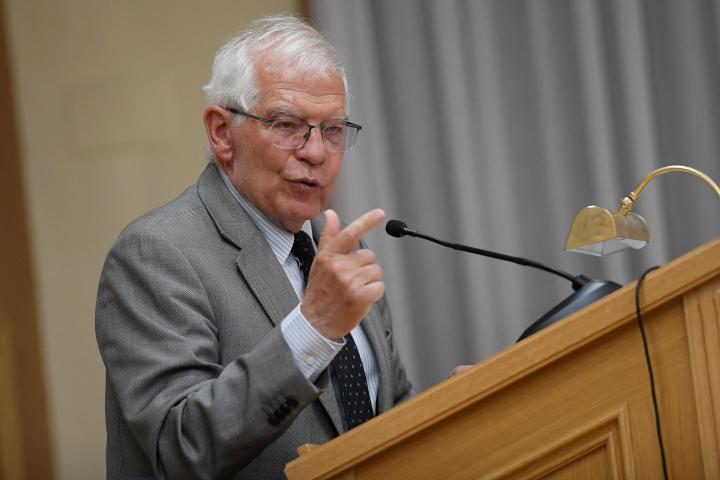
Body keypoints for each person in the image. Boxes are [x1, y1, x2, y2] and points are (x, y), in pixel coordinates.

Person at [95, 14, 413, 479]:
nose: (316, 152)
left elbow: (385, 407)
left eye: (333, 129)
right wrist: (314, 328)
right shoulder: (156, 254)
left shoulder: (338, 245)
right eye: (287, 124)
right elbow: (182, 448)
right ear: (222, 133)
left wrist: (456, 405)